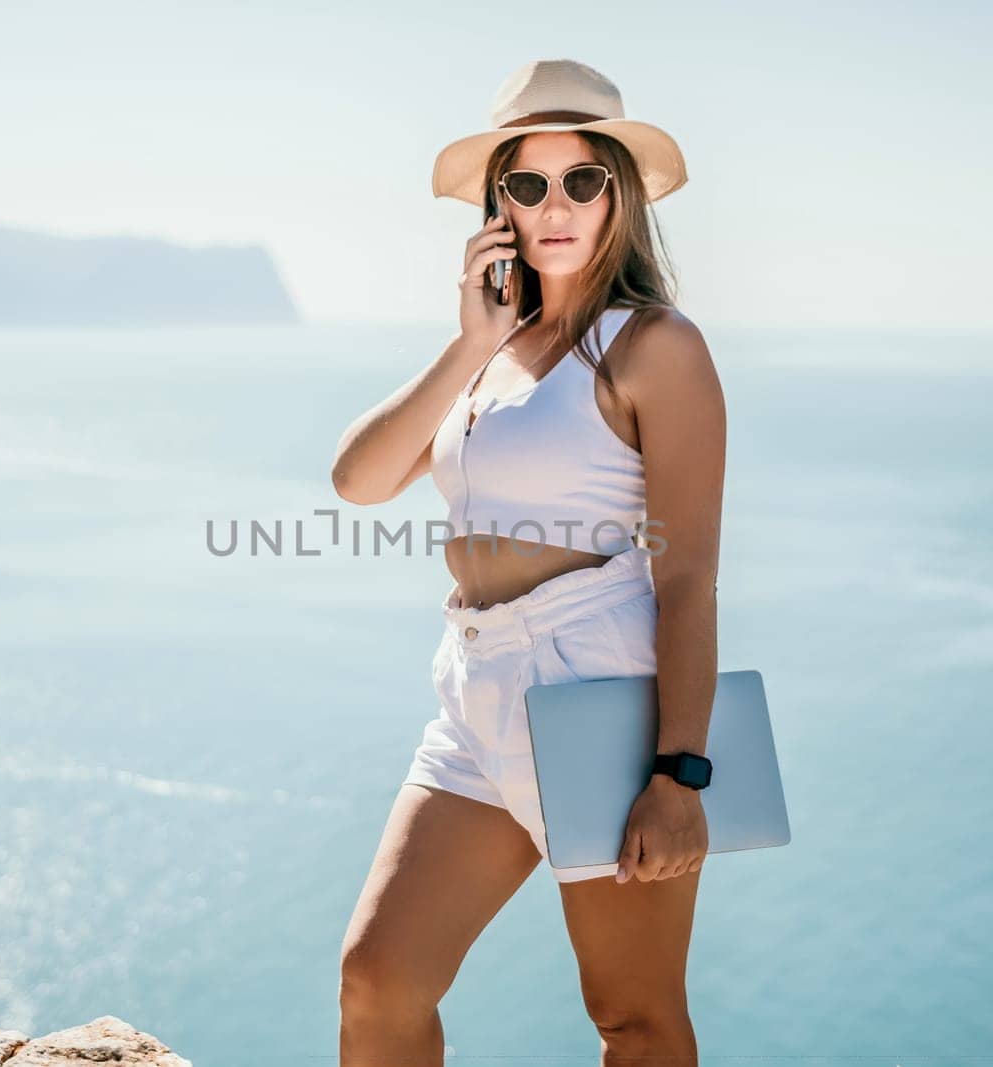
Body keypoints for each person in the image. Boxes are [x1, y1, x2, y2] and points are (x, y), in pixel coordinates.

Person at [330, 59, 726, 1067]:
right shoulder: (492, 353)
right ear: (496, 203)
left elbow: (683, 574)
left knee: (632, 1019)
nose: (557, 205)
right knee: (377, 979)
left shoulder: (652, 344)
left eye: (582, 181)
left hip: (594, 684)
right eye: (528, 183)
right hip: (475, 684)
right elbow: (360, 480)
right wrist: (472, 338)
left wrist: (679, 772)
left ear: (618, 197)